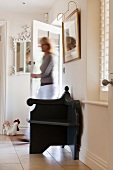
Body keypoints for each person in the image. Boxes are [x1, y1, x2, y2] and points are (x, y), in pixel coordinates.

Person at [18, 37, 58, 142]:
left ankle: (41, 136)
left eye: (42, 45)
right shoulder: (45, 57)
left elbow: (46, 73)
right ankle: (29, 135)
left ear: (47, 45)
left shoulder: (50, 57)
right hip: (44, 86)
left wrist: (35, 76)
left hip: (49, 87)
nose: (41, 47)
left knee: (45, 112)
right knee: (35, 109)